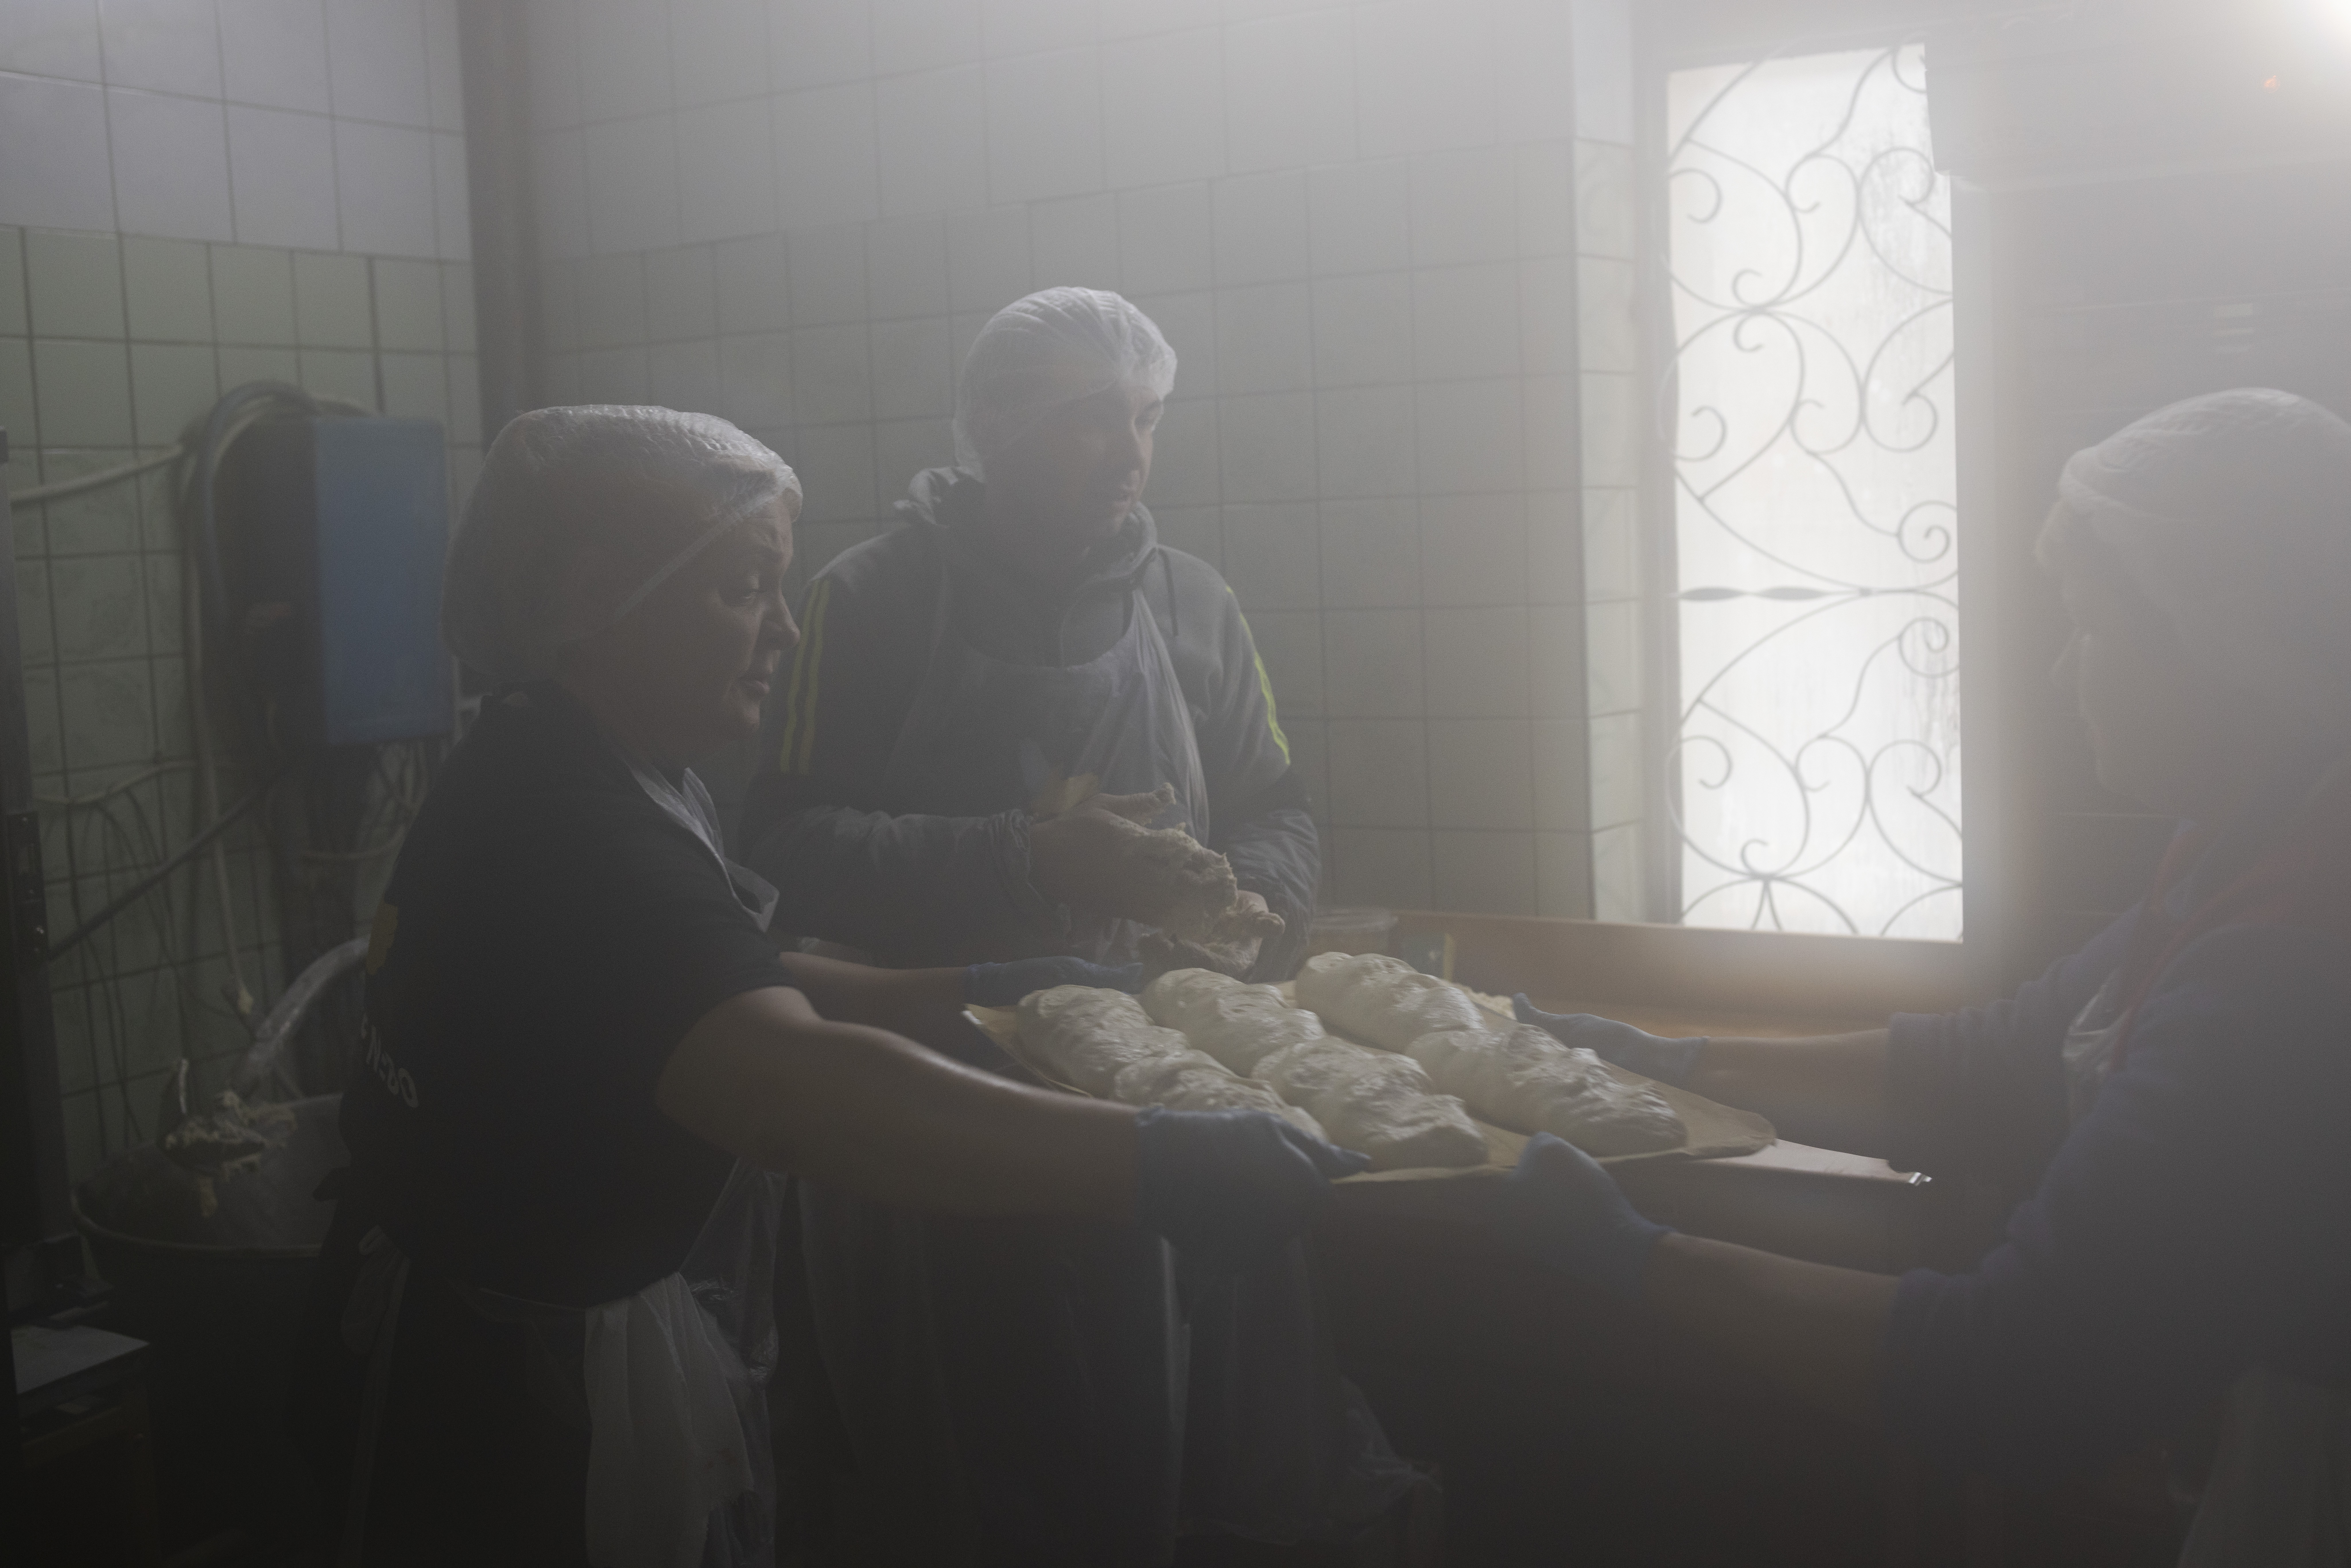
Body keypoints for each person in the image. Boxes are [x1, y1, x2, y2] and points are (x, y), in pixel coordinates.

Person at [288, 406, 1364, 1567]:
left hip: (522, 1322)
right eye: (743, 590)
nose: (784, 631)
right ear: (602, 594)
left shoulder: (599, 763)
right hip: (507, 1400)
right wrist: (1148, 1163)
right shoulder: (576, 827)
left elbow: (719, 988)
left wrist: (988, 985)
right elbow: (788, 1090)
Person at [1493, 388, 2351, 1563]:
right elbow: (1995, 1065)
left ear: (2218, 650)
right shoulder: (2250, 838)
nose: (2060, 675)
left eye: (2090, 626)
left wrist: (1637, 1258)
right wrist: (1670, 1065)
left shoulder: (2293, 955)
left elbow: (2019, 1372)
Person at [738, 286, 1314, 983]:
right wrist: (1025, 861)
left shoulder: (1196, 602)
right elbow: (785, 848)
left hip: (1164, 1029)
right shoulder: (867, 597)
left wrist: (1255, 902)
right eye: (1092, 421)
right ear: (991, 425)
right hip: (929, 1040)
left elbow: (1270, 807)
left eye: (1146, 419)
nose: (1131, 456)